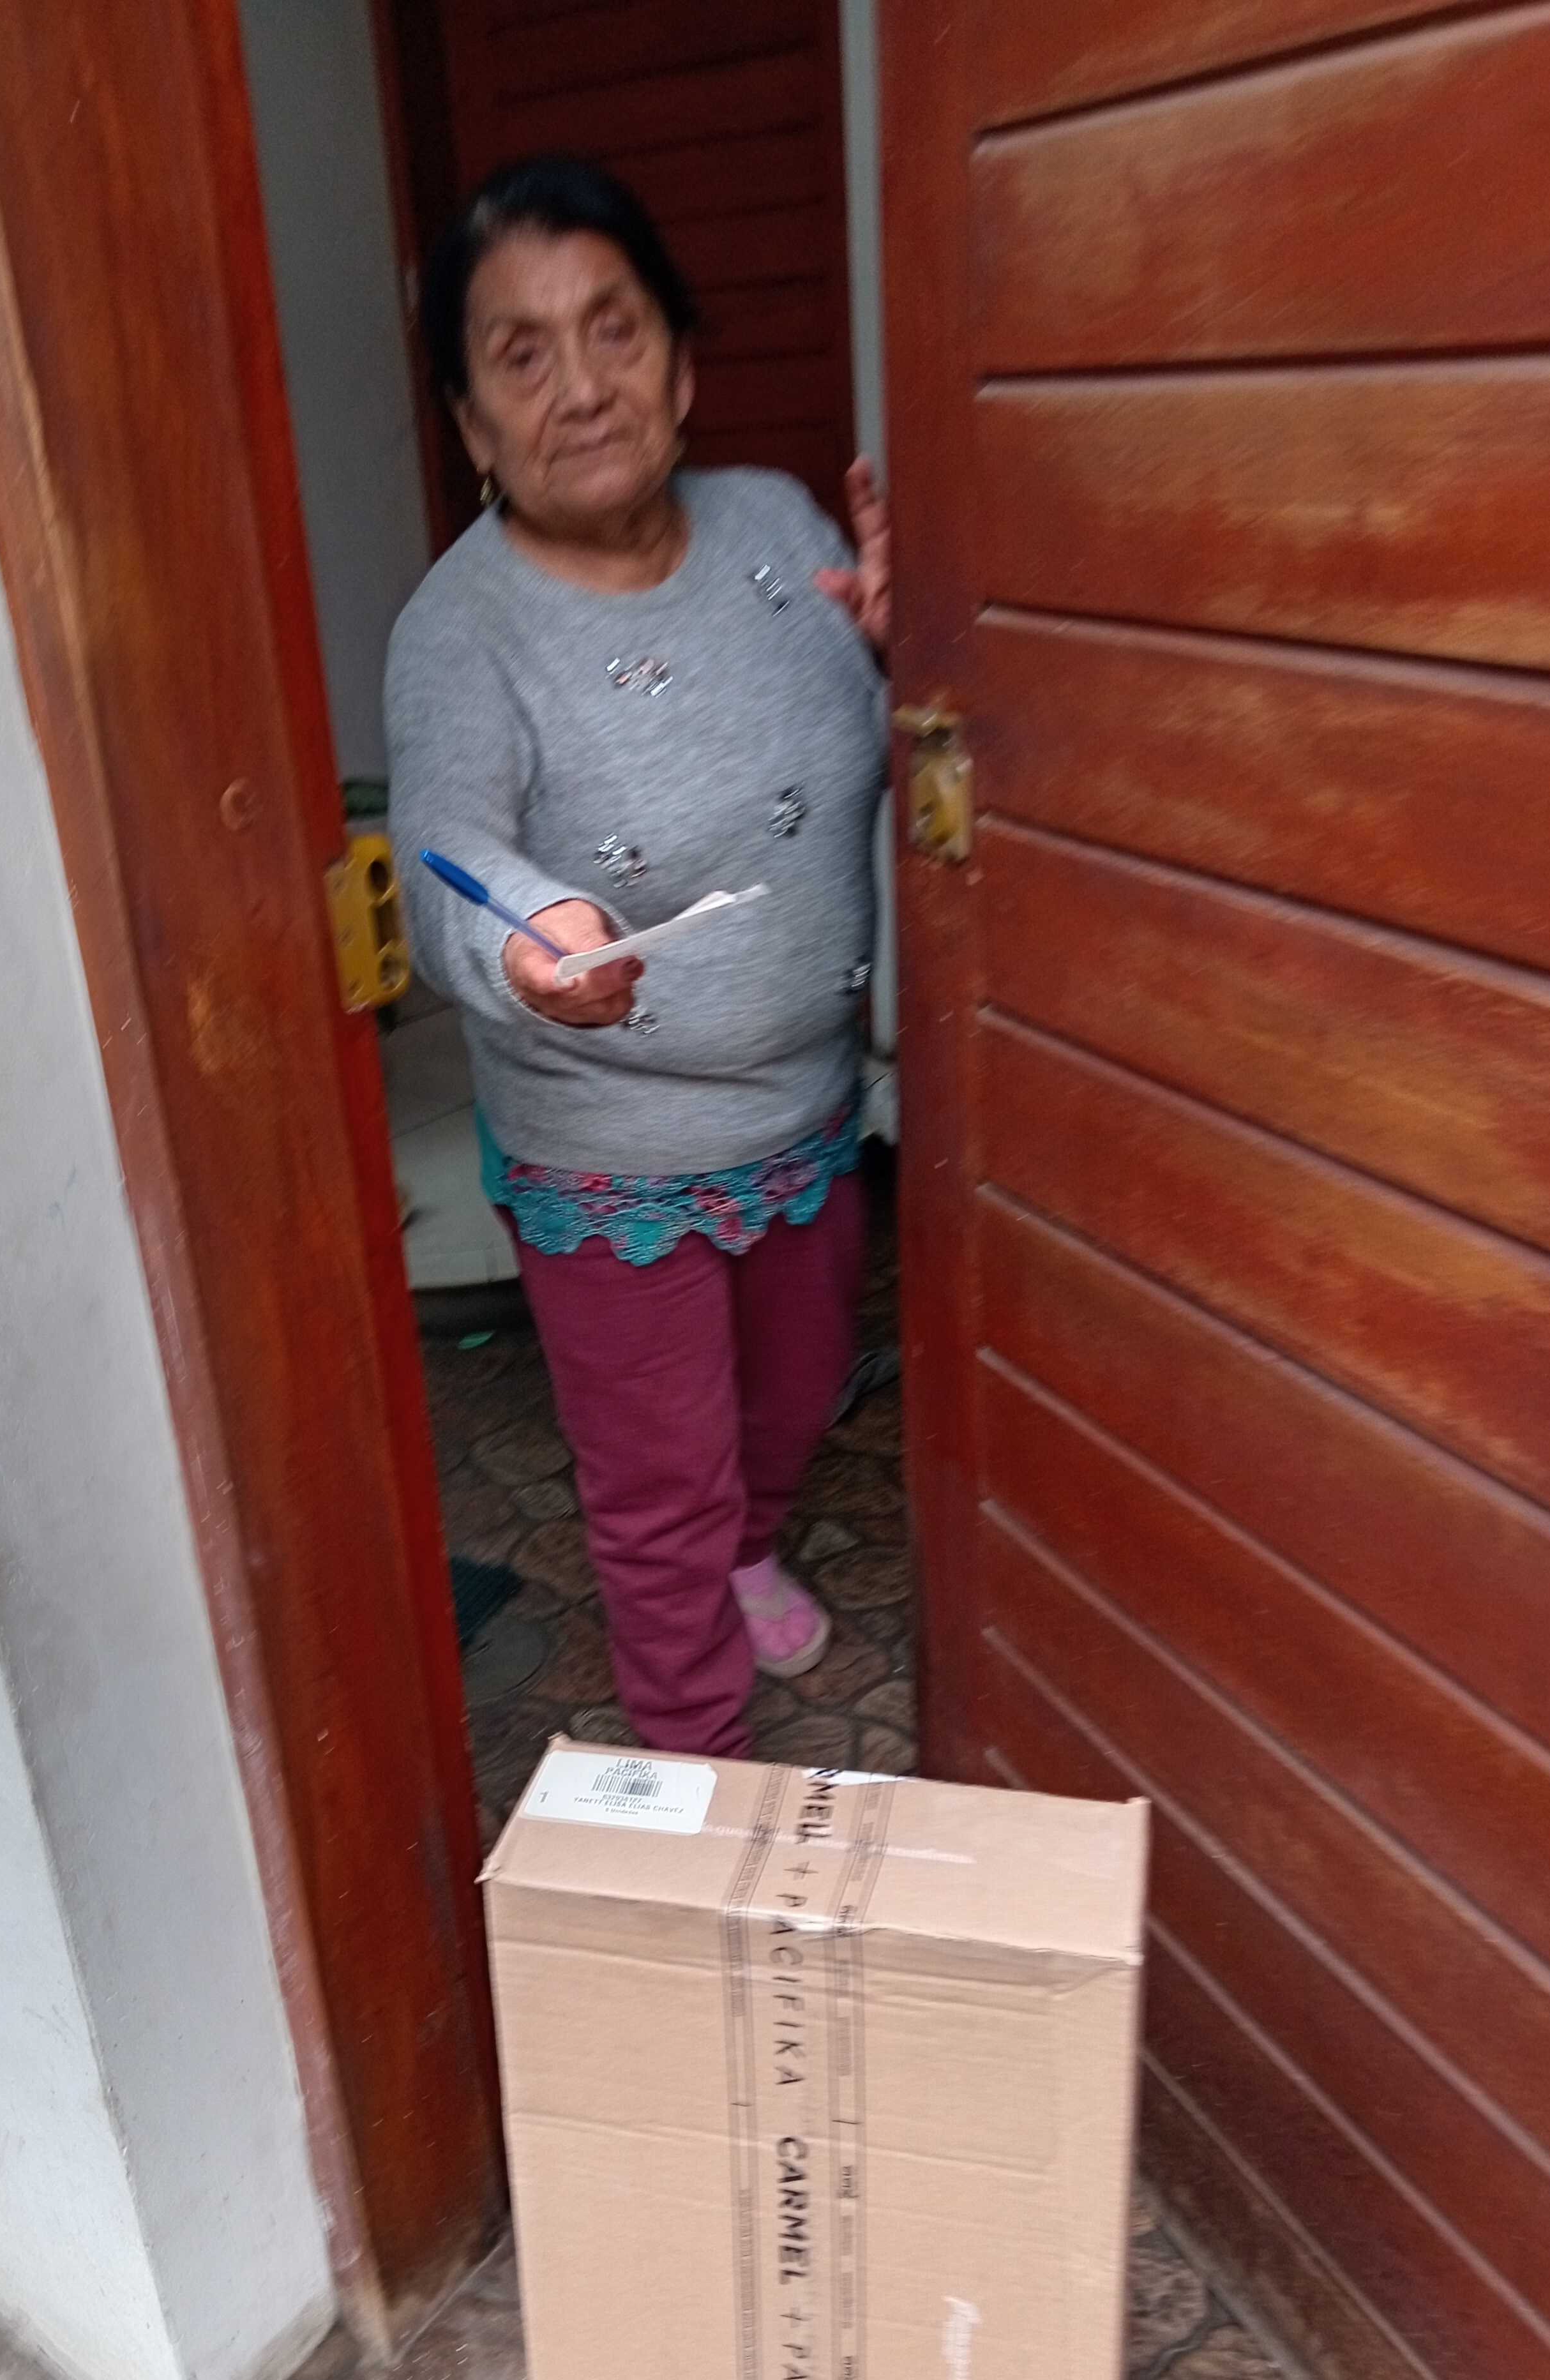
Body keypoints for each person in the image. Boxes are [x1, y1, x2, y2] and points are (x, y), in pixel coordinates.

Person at [387, 156, 891, 1759]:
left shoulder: (778, 525)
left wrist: (914, 644)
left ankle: (752, 1547)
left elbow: (894, 744)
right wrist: (526, 933)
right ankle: (699, 1767)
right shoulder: (459, 631)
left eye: (614, 330)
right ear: (472, 425)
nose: (584, 386)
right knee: (657, 1490)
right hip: (609, 1157)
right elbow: (445, 850)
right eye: (522, 355)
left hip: (808, 1111)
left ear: (678, 364)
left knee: (794, 1396)